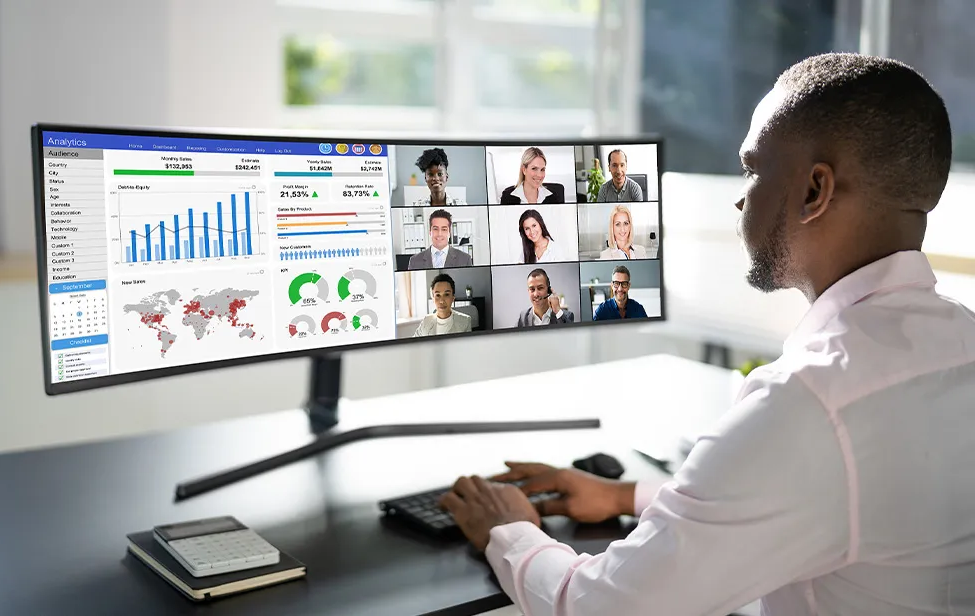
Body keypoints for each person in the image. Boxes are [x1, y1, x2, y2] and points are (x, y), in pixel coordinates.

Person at [439, 53, 975, 615]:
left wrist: (510, 530)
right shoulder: (958, 342)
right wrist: (626, 497)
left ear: (815, 190)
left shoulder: (812, 403)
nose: (741, 197)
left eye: (753, 169)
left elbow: (601, 607)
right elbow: (826, 504)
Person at [407, 209, 472, 269]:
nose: (439, 234)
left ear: (449, 233)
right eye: (435, 229)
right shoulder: (414, 261)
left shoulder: (465, 259)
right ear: (430, 232)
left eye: (444, 229)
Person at [500, 147, 566, 204]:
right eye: (534, 169)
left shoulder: (552, 197)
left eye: (542, 169)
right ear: (524, 170)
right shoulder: (508, 197)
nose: (539, 175)